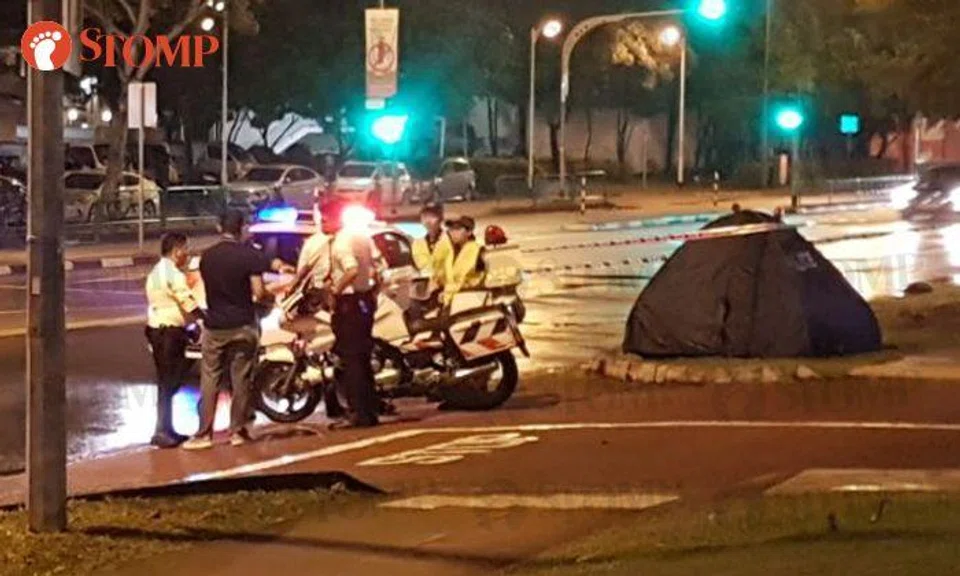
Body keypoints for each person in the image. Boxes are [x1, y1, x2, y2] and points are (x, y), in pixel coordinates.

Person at [182, 210, 274, 450]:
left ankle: (203, 434)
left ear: (218, 227)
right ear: (241, 227)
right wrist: (269, 299)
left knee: (210, 378)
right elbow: (259, 292)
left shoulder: (208, 257)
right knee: (241, 378)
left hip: (215, 326)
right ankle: (237, 431)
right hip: (243, 324)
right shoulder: (249, 256)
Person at [324, 199, 381, 428]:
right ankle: (369, 410)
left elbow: (351, 269)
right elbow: (378, 269)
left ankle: (358, 412)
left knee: (351, 360)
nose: (322, 222)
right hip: (364, 301)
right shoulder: (362, 236)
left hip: (349, 304)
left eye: (324, 217)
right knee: (363, 358)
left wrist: (334, 293)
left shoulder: (341, 242)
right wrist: (371, 292)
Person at [144, 232, 201, 448]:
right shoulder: (173, 274)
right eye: (185, 249)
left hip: (157, 329)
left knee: (167, 382)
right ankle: (162, 430)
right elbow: (186, 300)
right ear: (177, 251)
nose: (187, 254)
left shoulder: (156, 272)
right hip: (168, 333)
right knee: (170, 381)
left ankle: (166, 428)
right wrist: (204, 319)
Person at [440, 215, 485, 306]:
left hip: (470, 302)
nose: (453, 233)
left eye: (458, 229)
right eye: (451, 229)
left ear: (469, 232)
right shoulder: (450, 253)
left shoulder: (477, 250)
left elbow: (481, 278)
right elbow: (447, 279)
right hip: (450, 303)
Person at [411, 203, 452, 284]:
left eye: (432, 217)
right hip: (426, 288)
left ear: (440, 219)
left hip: (447, 287)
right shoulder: (417, 244)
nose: (428, 221)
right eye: (424, 217)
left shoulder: (450, 240)